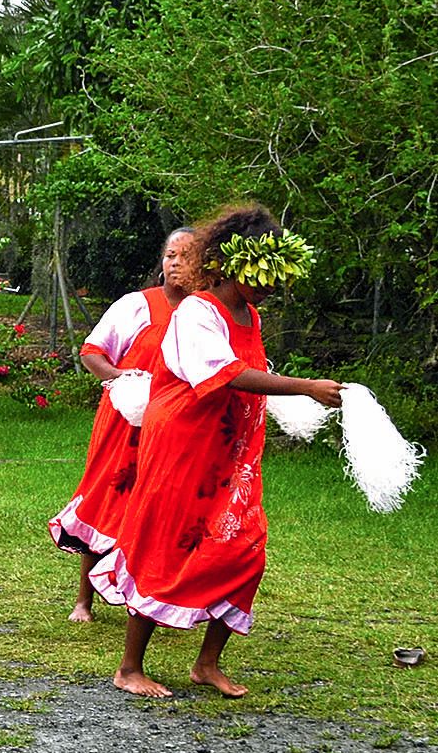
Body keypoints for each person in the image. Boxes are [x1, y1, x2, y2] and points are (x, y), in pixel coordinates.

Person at [91, 205, 342, 699]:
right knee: (165, 544)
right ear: (233, 264)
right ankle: (129, 667)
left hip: (231, 455)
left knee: (245, 548)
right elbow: (221, 373)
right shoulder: (197, 311)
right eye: (263, 276)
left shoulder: (251, 314)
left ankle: (207, 664)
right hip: (183, 449)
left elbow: (249, 368)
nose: (271, 287)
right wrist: (305, 386)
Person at [49, 227, 194, 622]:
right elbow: (92, 353)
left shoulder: (207, 314)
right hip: (125, 422)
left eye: (186, 255)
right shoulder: (137, 305)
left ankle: (150, 600)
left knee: (160, 510)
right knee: (107, 498)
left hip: (176, 427)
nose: (176, 262)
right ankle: (84, 599)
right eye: (170, 255)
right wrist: (126, 383)